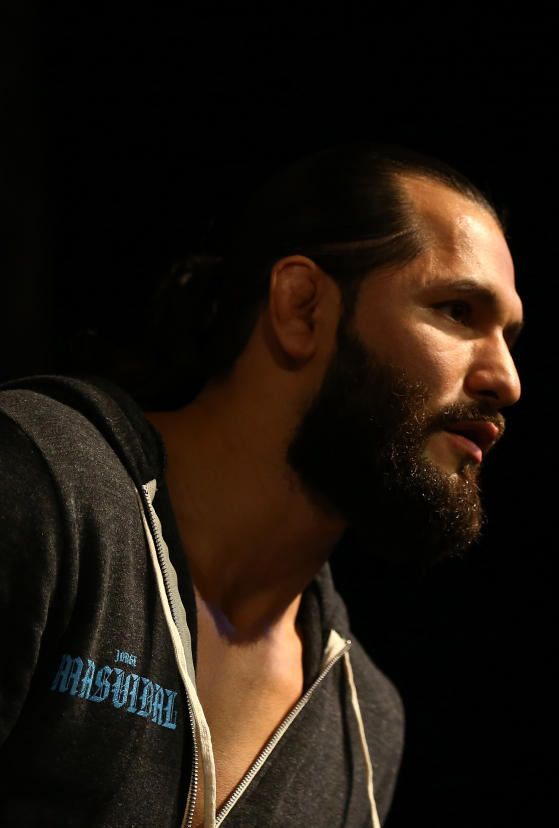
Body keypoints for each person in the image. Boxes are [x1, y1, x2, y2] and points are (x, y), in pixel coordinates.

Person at [0, 144, 523, 826]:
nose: (506, 379)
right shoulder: (43, 488)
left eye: (511, 336)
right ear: (302, 306)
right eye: (458, 311)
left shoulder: (362, 727)